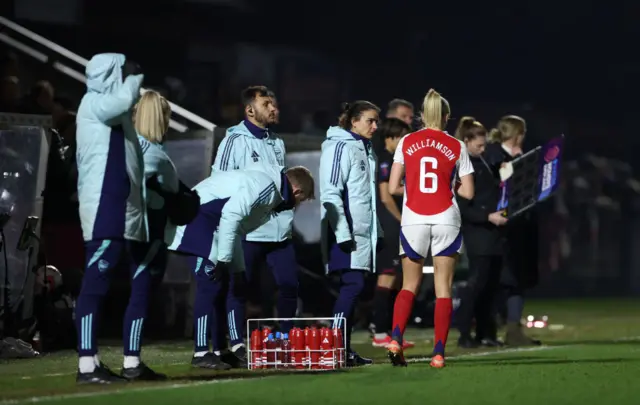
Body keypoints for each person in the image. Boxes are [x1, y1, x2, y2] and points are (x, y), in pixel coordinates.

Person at [167, 165, 314, 368]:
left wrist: (236, 269)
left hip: (209, 226)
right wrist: (225, 260)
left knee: (224, 285)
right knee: (210, 286)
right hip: (196, 222)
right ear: (297, 191)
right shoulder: (267, 189)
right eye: (301, 200)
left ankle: (220, 350)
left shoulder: (270, 195)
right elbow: (231, 217)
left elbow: (236, 229)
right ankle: (201, 352)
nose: (297, 205)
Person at [74, 53, 163, 383]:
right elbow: (124, 98)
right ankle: (86, 365)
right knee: (94, 286)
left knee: (104, 284)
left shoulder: (112, 112)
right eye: (121, 71)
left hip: (117, 211)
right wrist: (133, 78)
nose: (128, 75)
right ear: (110, 75)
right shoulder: (94, 103)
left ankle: (114, 363)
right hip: (102, 211)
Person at [386, 89, 474, 368]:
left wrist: (412, 188)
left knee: (409, 285)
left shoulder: (406, 141)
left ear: (422, 116)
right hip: (446, 217)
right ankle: (438, 353)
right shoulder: (457, 146)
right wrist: (449, 184)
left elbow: (392, 187)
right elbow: (469, 193)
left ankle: (396, 339)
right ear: (446, 117)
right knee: (443, 289)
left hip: (414, 218)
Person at [211, 85, 297, 367]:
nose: (274, 108)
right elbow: (219, 182)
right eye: (267, 104)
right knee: (239, 288)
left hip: (278, 229)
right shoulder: (234, 141)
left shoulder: (277, 142)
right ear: (250, 110)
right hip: (249, 230)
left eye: (275, 103)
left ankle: (285, 340)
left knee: (288, 285)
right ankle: (236, 343)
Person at [320, 100, 382, 366]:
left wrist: (375, 232)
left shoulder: (365, 149)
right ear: (354, 121)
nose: (375, 126)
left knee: (356, 289)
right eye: (370, 120)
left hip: (363, 235)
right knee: (352, 286)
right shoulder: (339, 147)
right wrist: (343, 233)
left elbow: (366, 198)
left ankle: (341, 348)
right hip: (346, 234)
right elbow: (330, 192)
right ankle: (335, 347)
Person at [485, 115, 541, 346]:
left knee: (518, 278)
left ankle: (513, 329)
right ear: (518, 134)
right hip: (502, 229)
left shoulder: (516, 155)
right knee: (502, 279)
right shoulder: (495, 155)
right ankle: (491, 328)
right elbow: (497, 185)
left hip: (520, 227)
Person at [454, 117, 507, 348]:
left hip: (493, 232)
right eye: (479, 145)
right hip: (478, 233)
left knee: (491, 285)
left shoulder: (482, 162)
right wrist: (487, 217)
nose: (483, 149)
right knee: (476, 285)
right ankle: (464, 333)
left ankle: (486, 333)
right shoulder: (462, 167)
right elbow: (463, 207)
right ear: (465, 141)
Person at [370, 118, 415, 349]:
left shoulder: (394, 160)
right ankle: (379, 333)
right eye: (402, 138)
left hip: (393, 224)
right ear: (390, 138)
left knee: (395, 277)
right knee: (387, 276)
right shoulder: (386, 161)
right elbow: (386, 195)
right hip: (389, 225)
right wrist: (401, 219)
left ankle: (389, 331)